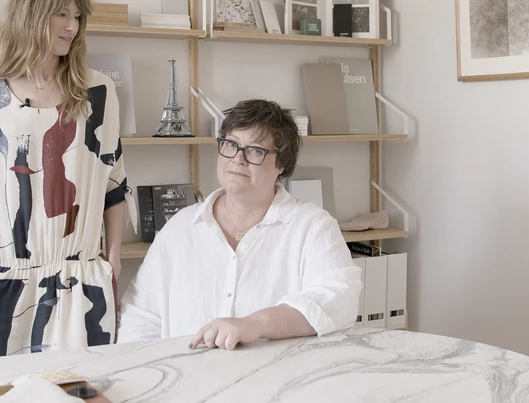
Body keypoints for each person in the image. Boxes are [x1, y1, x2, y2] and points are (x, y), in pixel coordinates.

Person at [0, 0, 130, 358]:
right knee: (3, 387)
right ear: (30, 13)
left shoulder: (98, 91)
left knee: (82, 384)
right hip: (1, 277)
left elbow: (114, 182)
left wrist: (113, 258)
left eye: (78, 16)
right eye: (61, 14)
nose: (72, 26)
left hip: (81, 277)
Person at [118, 99, 362, 350]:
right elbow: (141, 316)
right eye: (230, 144)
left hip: (277, 373)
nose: (238, 159)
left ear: (281, 164)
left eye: (255, 150)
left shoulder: (312, 226)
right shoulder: (179, 228)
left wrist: (256, 324)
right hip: (184, 372)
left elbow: (339, 299)